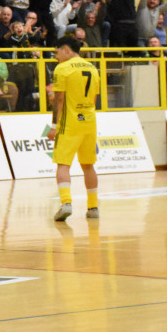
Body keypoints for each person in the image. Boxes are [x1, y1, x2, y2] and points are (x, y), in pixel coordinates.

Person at [48, 35, 100, 221]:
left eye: (57, 52)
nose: (56, 57)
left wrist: (54, 126)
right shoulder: (93, 68)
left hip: (70, 123)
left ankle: (66, 203)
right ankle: (93, 207)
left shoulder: (62, 69)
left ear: (67, 49)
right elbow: (94, 99)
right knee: (88, 165)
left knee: (63, 164)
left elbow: (59, 100)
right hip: (89, 121)